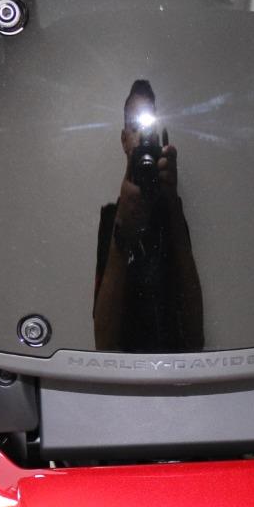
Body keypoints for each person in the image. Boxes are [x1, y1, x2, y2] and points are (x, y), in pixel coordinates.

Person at [93, 80, 204, 353]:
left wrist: (172, 204)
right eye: (135, 128)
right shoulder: (112, 218)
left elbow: (195, 334)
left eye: (148, 128)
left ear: (160, 139)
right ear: (124, 140)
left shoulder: (172, 215)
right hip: (126, 371)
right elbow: (103, 342)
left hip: (176, 367)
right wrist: (122, 228)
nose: (142, 138)